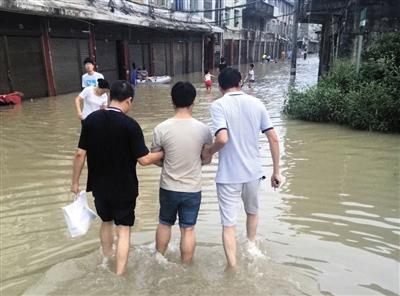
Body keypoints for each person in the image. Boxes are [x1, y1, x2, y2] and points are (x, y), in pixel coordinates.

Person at [71, 80, 164, 275]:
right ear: (129, 100)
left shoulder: (91, 120)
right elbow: (144, 160)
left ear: (110, 95)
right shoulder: (130, 125)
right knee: (123, 229)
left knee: (106, 222)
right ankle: (120, 274)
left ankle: (106, 261)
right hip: (124, 187)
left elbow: (80, 153)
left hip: (99, 186)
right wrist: (163, 153)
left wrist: (74, 182)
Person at [202, 68, 281, 269]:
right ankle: (252, 247)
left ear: (219, 87)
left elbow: (222, 138)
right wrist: (276, 171)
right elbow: (273, 137)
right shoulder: (257, 103)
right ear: (241, 83)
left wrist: (210, 151)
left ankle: (233, 267)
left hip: (228, 176)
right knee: (252, 212)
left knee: (228, 225)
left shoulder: (218, 105)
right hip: (253, 173)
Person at [152, 82, 212, 264]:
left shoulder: (161, 128)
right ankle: (186, 266)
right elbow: (207, 159)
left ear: (172, 100)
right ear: (194, 100)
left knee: (164, 222)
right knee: (188, 229)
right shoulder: (203, 129)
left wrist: (167, 163)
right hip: (192, 188)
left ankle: (159, 259)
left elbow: (155, 158)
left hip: (168, 187)